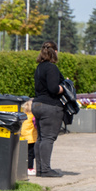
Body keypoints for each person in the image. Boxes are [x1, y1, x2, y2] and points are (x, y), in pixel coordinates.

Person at [31, 41, 65, 178]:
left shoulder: (39, 67)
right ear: (55, 52)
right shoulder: (51, 68)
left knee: (40, 138)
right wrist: (63, 88)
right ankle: (45, 170)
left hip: (37, 105)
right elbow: (53, 89)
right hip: (50, 106)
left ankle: (40, 169)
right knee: (48, 138)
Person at [20, 99, 38, 176]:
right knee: (31, 154)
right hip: (31, 138)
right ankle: (30, 168)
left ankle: (23, 167)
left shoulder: (23, 116)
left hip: (23, 138)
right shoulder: (33, 117)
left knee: (24, 154)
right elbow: (36, 126)